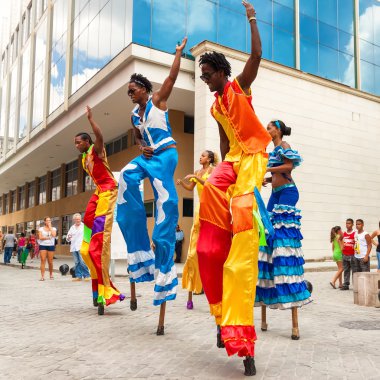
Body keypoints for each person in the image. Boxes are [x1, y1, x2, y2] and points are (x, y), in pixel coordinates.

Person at [196, 1, 272, 375]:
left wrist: (252, 18)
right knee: (210, 201)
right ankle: (219, 313)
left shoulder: (238, 87)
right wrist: (219, 176)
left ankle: (242, 333)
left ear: (221, 72)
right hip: (234, 161)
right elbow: (226, 146)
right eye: (203, 76)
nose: (205, 79)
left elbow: (257, 54)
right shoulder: (214, 108)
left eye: (208, 73)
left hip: (254, 158)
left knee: (242, 216)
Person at [116, 37, 187, 335]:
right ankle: (139, 246)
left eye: (132, 90)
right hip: (147, 157)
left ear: (143, 88)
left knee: (165, 202)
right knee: (124, 179)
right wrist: (141, 146)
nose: (130, 94)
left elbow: (171, 77)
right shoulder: (134, 114)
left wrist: (178, 54)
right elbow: (137, 137)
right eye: (128, 92)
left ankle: (162, 256)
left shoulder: (158, 101)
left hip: (166, 155)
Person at [256, 120, 312, 341]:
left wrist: (268, 169)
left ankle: (293, 312)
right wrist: (267, 179)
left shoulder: (285, 145)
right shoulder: (272, 150)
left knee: (283, 242)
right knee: (266, 232)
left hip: (288, 192)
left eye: (270, 127)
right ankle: (266, 297)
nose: (268, 130)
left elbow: (288, 167)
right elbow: (277, 173)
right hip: (276, 193)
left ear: (278, 130)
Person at [74, 106, 124, 315]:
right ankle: (95, 282)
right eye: (75, 143)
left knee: (100, 241)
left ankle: (105, 290)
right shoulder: (85, 157)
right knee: (86, 245)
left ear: (87, 142)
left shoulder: (96, 150)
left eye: (79, 142)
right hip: (98, 192)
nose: (76, 145)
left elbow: (100, 136)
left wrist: (92, 119)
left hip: (108, 190)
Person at [177, 150, 217, 309]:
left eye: (203, 155)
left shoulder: (213, 170)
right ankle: (193, 287)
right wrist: (183, 183)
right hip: (200, 210)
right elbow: (190, 188)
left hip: (211, 209)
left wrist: (196, 178)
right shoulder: (197, 172)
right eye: (200, 155)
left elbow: (210, 185)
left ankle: (211, 286)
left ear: (209, 158)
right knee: (194, 251)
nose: (200, 157)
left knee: (210, 250)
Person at [66, 213, 90, 281]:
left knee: (82, 261)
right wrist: (68, 237)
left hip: (81, 246)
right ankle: (78, 276)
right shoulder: (72, 227)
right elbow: (67, 238)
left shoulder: (84, 226)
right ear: (74, 220)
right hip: (74, 247)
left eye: (79, 219)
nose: (78, 220)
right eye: (76, 219)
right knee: (76, 262)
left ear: (80, 219)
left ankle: (87, 275)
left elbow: (88, 235)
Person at [340, 218, 356, 290]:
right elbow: (339, 239)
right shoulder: (344, 233)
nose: (347, 225)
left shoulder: (355, 232)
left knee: (354, 270)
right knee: (346, 270)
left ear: (352, 224)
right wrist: (341, 248)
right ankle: (346, 284)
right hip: (345, 254)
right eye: (346, 223)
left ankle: (355, 284)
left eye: (349, 223)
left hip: (353, 254)